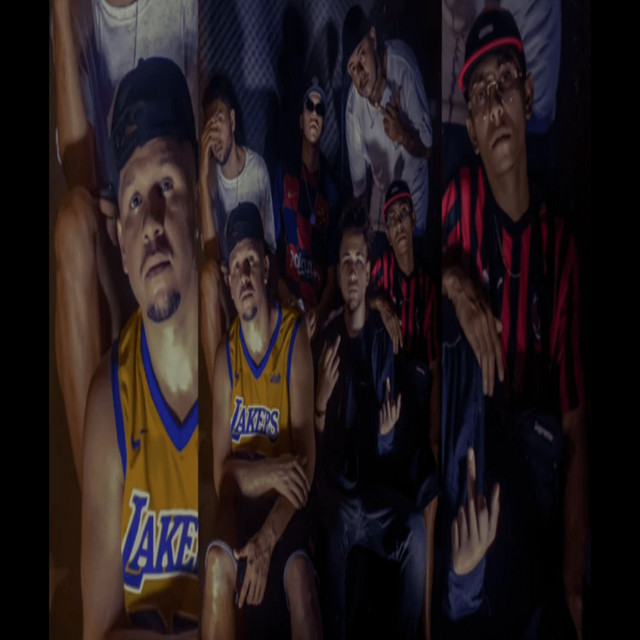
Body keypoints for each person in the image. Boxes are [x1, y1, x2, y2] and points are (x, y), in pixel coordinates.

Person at [441, 8, 587, 637]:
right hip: (472, 469)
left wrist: (573, 576)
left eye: (505, 84)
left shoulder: (559, 246)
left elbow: (575, 420)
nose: (495, 103)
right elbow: (421, 270)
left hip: (532, 481)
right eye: (480, 94)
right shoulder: (459, 202)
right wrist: (455, 284)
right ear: (473, 131)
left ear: (528, 97)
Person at [52, 0, 198, 488]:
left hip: (178, 227)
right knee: (74, 224)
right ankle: (98, 499)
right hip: (123, 243)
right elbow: (79, 177)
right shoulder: (80, 15)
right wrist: (60, 15)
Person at [81, 57, 199, 638]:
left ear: (199, 205)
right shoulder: (111, 404)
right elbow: (99, 628)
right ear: (123, 252)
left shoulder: (245, 369)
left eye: (166, 186)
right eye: (132, 200)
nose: (150, 221)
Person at [202, 202, 322, 640]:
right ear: (229, 281)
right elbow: (221, 477)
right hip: (243, 504)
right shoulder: (226, 358)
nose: (244, 275)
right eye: (236, 266)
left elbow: (305, 463)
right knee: (217, 567)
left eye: (251, 260)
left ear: (267, 267)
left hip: (283, 507)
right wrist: (272, 470)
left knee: (301, 583)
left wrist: (268, 539)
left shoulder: (293, 338)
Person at [314, 199, 427, 640]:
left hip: (374, 499)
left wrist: (385, 434)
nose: (352, 270)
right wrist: (320, 403)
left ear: (369, 270)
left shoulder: (383, 338)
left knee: (415, 528)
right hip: (340, 503)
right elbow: (316, 456)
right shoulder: (326, 340)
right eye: (346, 260)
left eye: (360, 260)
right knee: (336, 526)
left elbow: (391, 452)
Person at [199, 74, 277, 388]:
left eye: (218, 120)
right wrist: (202, 178)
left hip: (255, 275)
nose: (214, 133)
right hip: (227, 282)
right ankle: (220, 388)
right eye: (208, 125)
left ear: (232, 120)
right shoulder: (208, 180)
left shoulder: (257, 170)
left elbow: (269, 245)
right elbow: (209, 255)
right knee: (208, 276)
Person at [341, 4, 432, 260]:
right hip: (381, 213)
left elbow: (427, 149)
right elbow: (360, 187)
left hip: (412, 209)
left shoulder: (403, 67)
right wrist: (362, 228)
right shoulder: (353, 107)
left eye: (362, 55)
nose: (360, 73)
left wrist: (403, 134)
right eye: (352, 68)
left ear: (373, 37)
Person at [273, 77, 340, 340]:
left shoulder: (331, 189)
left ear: (323, 123)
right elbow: (271, 247)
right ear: (301, 120)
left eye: (320, 110)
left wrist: (319, 313)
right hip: (286, 303)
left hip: (318, 314)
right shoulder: (283, 174)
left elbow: (333, 274)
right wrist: (287, 298)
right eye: (309, 108)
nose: (314, 114)